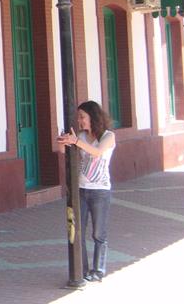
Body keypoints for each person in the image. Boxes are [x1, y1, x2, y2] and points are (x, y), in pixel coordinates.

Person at [58, 100, 117, 282]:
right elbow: (63, 152)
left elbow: (97, 152)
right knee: (78, 231)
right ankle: (82, 270)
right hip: (81, 190)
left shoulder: (108, 136)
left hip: (100, 191)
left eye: (83, 117)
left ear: (94, 117)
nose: (80, 120)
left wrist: (76, 141)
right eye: (79, 117)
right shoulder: (81, 136)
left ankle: (98, 270)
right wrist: (63, 141)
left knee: (99, 233)